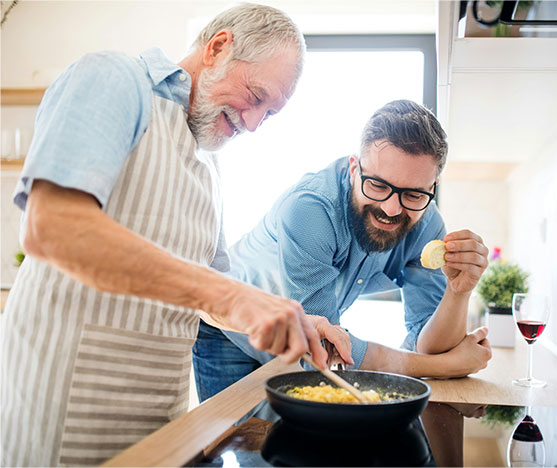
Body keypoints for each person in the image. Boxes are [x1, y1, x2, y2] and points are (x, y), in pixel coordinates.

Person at [0, 4, 328, 466]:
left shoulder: (209, 161)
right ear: (218, 47)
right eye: (255, 96)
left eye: (268, 115)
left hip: (162, 422)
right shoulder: (114, 78)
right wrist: (229, 296)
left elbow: (212, 301)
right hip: (62, 410)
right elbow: (51, 228)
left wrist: (285, 316)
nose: (253, 125)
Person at [193, 99, 493, 402]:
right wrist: (443, 366)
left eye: (414, 194)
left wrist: (459, 291)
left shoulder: (427, 224)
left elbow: (428, 343)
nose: (391, 209)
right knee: (233, 441)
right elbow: (328, 347)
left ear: (432, 187)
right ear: (354, 169)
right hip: (230, 335)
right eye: (377, 185)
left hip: (301, 344)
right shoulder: (310, 209)